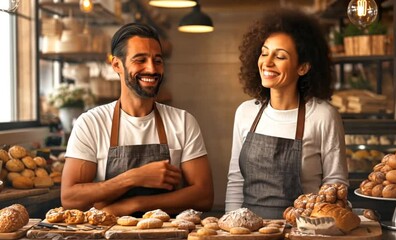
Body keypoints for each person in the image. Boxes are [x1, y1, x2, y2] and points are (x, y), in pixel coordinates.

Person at [61, 22, 214, 217]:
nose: (152, 69)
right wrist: (134, 178)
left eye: (157, 60)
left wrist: (136, 203)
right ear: (117, 65)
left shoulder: (183, 121)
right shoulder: (91, 123)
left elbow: (204, 197)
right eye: (140, 60)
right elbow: (70, 199)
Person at [225, 8, 348, 219]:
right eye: (264, 53)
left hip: (303, 231)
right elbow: (236, 180)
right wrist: (232, 228)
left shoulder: (323, 116)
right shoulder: (246, 113)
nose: (267, 62)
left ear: (303, 67)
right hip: (250, 233)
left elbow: (335, 184)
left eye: (280, 56)